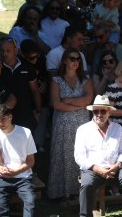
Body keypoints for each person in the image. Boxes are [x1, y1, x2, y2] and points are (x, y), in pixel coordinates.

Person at [74, 95, 122, 217]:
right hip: (93, 170)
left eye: (102, 111)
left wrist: (117, 165)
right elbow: (79, 156)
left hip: (116, 169)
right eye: (96, 111)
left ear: (109, 112)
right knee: (86, 185)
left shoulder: (117, 128)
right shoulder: (83, 130)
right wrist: (97, 169)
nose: (99, 114)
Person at [47, 48, 93, 200]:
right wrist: (79, 105)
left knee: (80, 154)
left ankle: (80, 190)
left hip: (82, 124)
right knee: (63, 155)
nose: (75, 62)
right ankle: (61, 192)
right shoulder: (56, 80)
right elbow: (56, 105)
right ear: (65, 61)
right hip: (62, 126)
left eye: (78, 59)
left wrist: (69, 101)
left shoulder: (85, 80)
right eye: (72, 58)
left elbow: (88, 100)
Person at [0, 104, 37, 217]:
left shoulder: (25, 132)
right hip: (2, 177)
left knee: (30, 201)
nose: (1, 124)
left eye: (3, 119)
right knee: (1, 204)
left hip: (23, 177)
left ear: (10, 117)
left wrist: (16, 172)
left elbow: (31, 161)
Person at [0, 38, 41, 132]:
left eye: (8, 51)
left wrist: (38, 112)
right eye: (3, 51)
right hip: (6, 118)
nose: (4, 54)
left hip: (26, 116)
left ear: (16, 51)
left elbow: (35, 90)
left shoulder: (27, 66)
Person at [0, 52, 16, 131]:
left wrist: (1, 110)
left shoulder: (0, 81)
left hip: (8, 130)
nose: (1, 67)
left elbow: (13, 98)